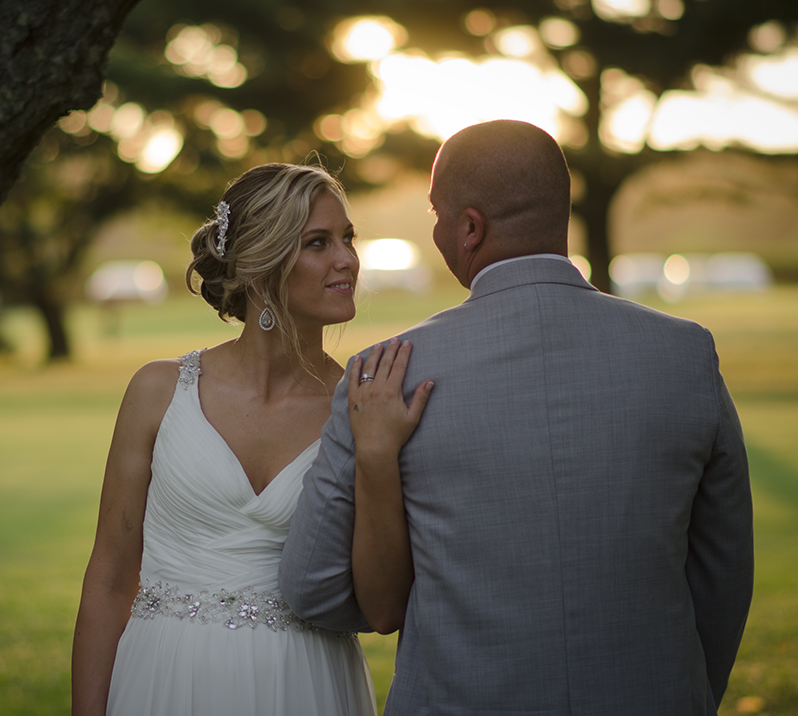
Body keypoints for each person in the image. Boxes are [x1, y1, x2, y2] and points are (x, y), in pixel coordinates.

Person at [280, 120, 755, 715]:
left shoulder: (387, 373)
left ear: (470, 227)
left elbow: (314, 588)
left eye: (437, 215)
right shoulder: (685, 354)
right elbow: (723, 570)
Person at [71, 163, 429, 716]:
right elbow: (111, 579)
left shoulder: (363, 405)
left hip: (307, 685)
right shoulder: (159, 391)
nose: (348, 260)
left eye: (347, 239)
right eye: (319, 242)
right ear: (261, 266)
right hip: (164, 677)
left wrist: (378, 454)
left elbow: (383, 611)